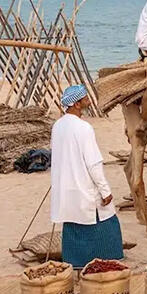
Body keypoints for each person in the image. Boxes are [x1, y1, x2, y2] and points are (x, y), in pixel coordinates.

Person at [50, 85, 122, 267]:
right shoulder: (84, 128)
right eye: (85, 98)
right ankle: (101, 262)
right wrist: (105, 191)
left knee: (73, 221)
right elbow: (93, 163)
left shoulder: (58, 126)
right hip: (84, 185)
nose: (88, 100)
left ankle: (75, 262)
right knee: (105, 224)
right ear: (76, 104)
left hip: (66, 186)